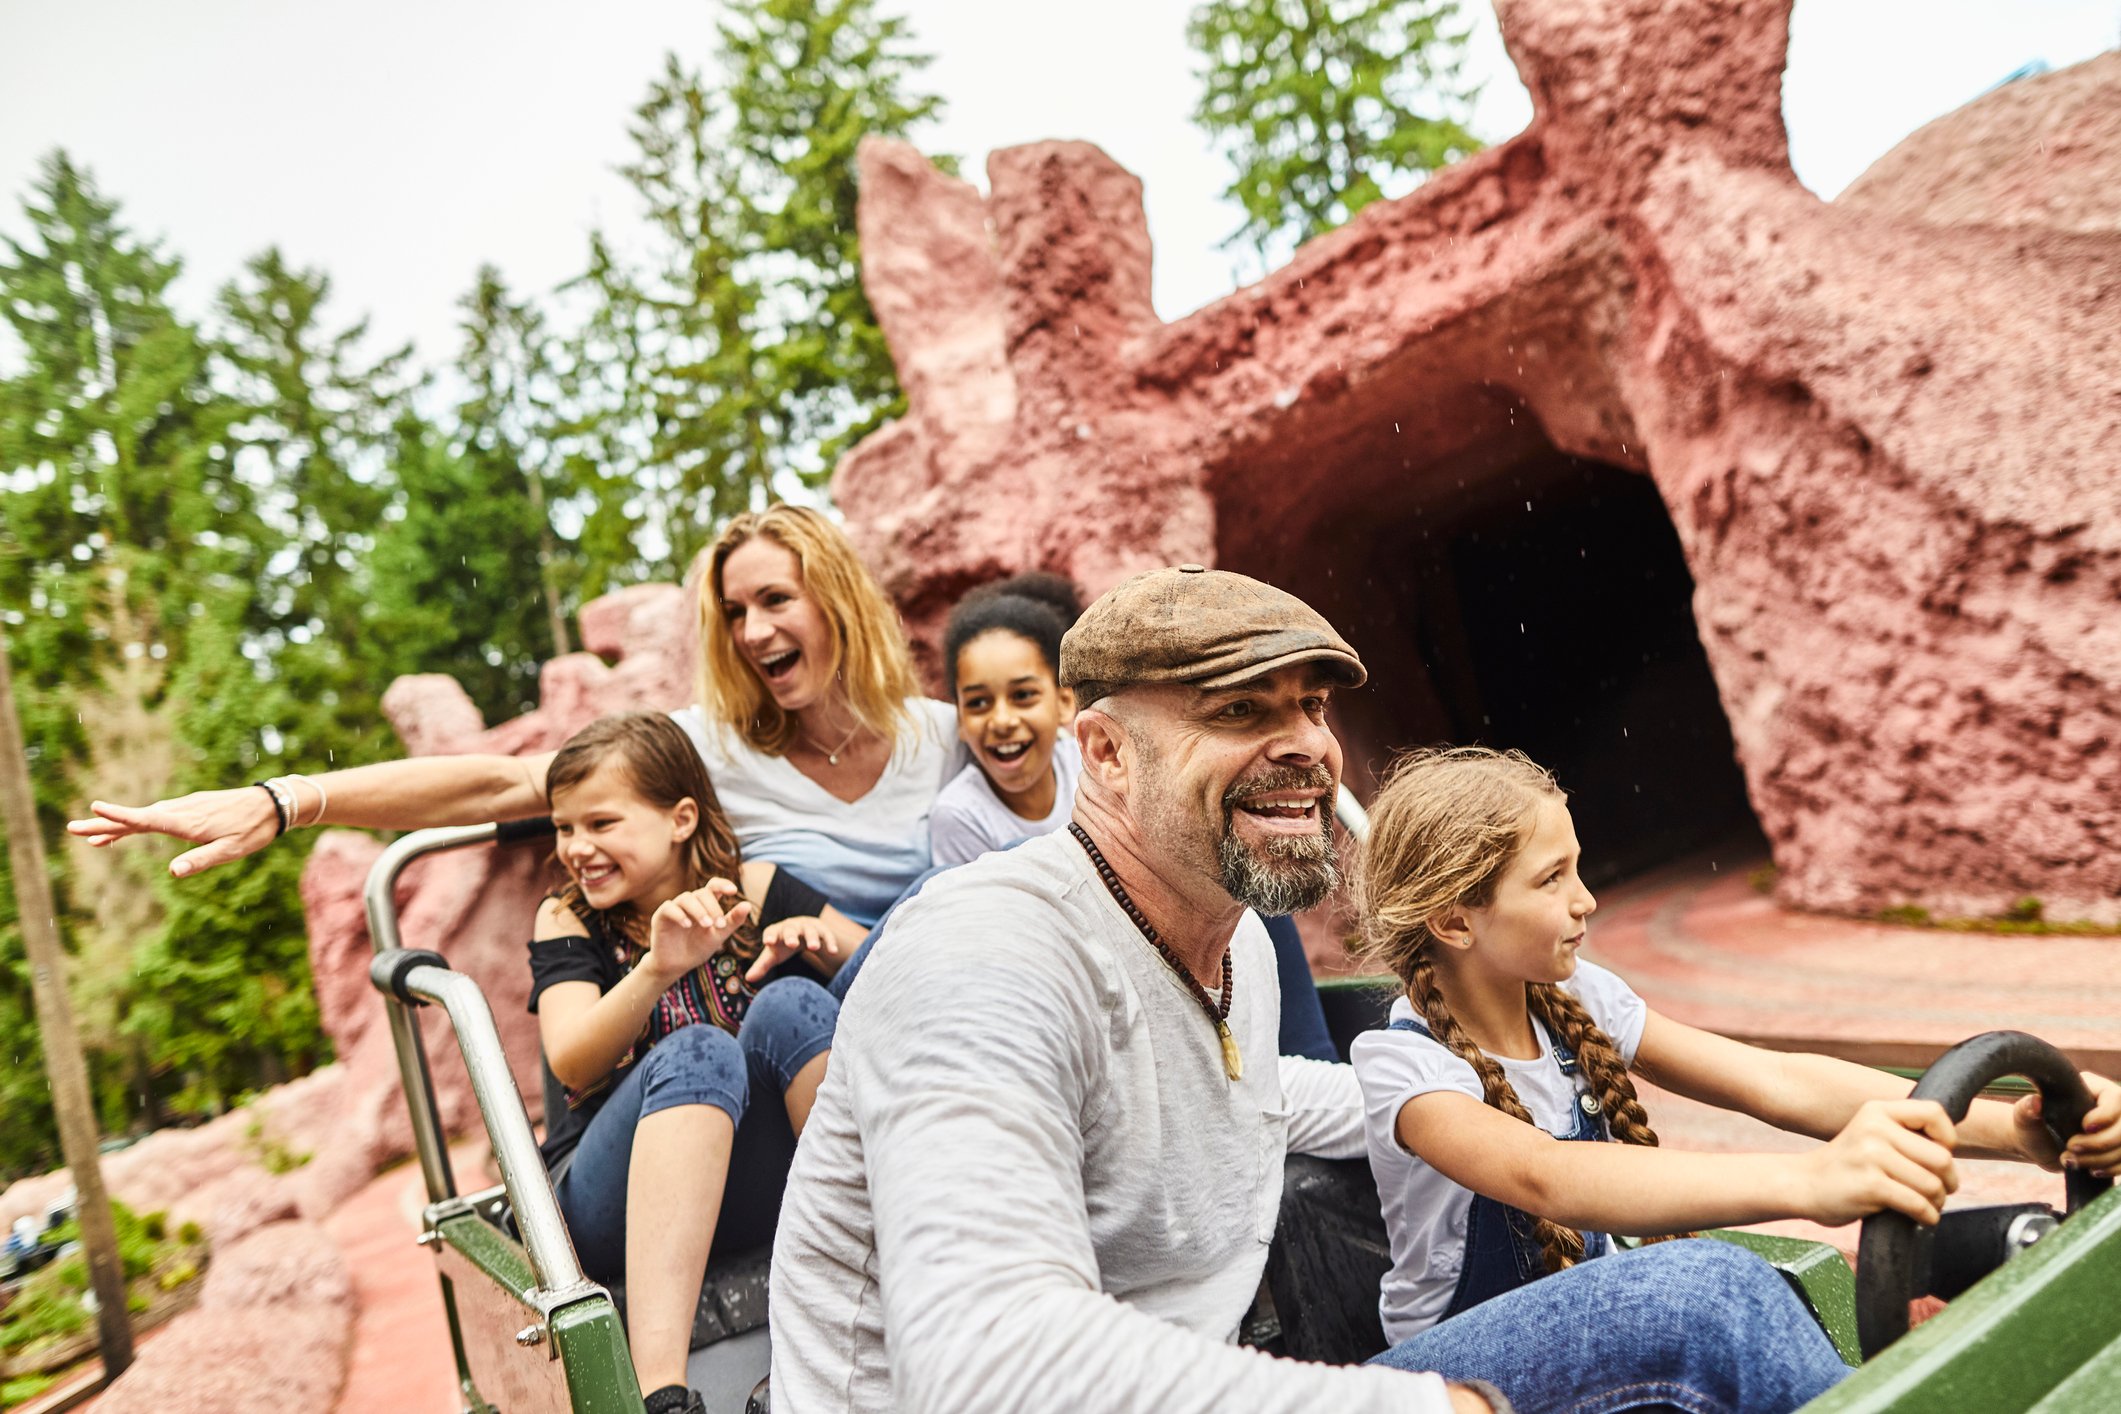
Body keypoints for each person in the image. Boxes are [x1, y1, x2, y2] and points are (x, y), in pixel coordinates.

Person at [767, 563, 1849, 1414]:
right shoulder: (983, 950)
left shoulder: (1231, 952)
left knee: (1720, 1291)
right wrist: (1424, 1405)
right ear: (1102, 753)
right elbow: (988, 1371)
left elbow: (1254, 1095)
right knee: (1705, 1308)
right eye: (1240, 712)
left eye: (1312, 707)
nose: (1304, 750)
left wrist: (1453, 1097)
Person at [1348, 745, 2121, 1351]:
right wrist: (1810, 1183)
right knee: (1712, 1284)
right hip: (1461, 1369)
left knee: (1992, 1244)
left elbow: (1775, 1081)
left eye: (1577, 868)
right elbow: (1544, 1177)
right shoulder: (1405, 1071)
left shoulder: (1578, 999)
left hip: (1590, 1308)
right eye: (1551, 879)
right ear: (1454, 923)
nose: (1585, 899)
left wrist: (2013, 1132)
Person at [66, 504, 960, 936]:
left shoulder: (946, 738)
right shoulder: (708, 747)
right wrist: (288, 799)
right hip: (829, 1028)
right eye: (734, 612)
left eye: (775, 599)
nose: (753, 629)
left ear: (836, 599)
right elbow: (505, 780)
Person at [531, 714, 865, 1413]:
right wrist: (656, 968)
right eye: (564, 828)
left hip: (753, 1188)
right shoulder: (568, 919)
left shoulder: (753, 884)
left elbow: (881, 967)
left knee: (793, 1002)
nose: (575, 848)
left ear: (679, 818)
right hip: (610, 1208)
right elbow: (571, 1063)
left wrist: (824, 949)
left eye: (600, 823)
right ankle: (662, 1398)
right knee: (700, 1051)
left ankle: (879, 1294)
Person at [928, 572, 1084, 868]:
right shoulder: (959, 816)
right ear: (960, 720)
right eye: (978, 703)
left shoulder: (1089, 769)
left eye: (1023, 695)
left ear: (1064, 702)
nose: (1002, 721)